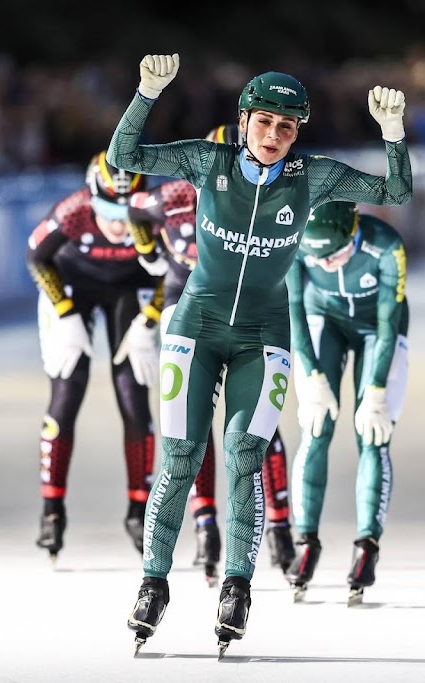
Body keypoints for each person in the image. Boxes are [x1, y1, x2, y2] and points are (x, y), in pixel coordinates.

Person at [106, 53, 412, 656]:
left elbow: (396, 190)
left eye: (288, 127)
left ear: (299, 133)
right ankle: (153, 583)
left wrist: (393, 135)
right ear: (243, 120)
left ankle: (238, 589)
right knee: (180, 457)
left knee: (246, 455)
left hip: (264, 334)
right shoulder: (207, 159)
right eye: (264, 122)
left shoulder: (313, 175)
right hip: (195, 325)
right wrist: (145, 94)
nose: (274, 137)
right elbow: (124, 159)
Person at [126, 124, 297, 588]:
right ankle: (204, 524)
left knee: (254, 436)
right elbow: (136, 207)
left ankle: (280, 524)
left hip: (248, 320)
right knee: (188, 436)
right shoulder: (178, 192)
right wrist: (150, 264)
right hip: (188, 308)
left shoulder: (273, 194)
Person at [26, 150, 163, 563]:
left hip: (130, 293)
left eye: (128, 214)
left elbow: (175, 270)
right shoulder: (72, 211)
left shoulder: (157, 215)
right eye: (108, 211)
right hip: (74, 289)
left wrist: (150, 320)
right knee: (66, 395)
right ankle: (52, 512)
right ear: (91, 199)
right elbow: (37, 256)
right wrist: (64, 313)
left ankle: (139, 513)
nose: (120, 225)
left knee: (135, 401)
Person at [285, 201, 409, 607]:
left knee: (373, 433)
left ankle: (367, 543)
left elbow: (389, 323)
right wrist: (311, 373)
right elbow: (294, 310)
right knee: (315, 426)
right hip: (326, 321)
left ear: (355, 233)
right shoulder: (299, 245)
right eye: (321, 258)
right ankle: (304, 540)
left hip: (379, 328)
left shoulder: (386, 245)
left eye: (337, 255)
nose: (331, 265)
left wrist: (376, 389)